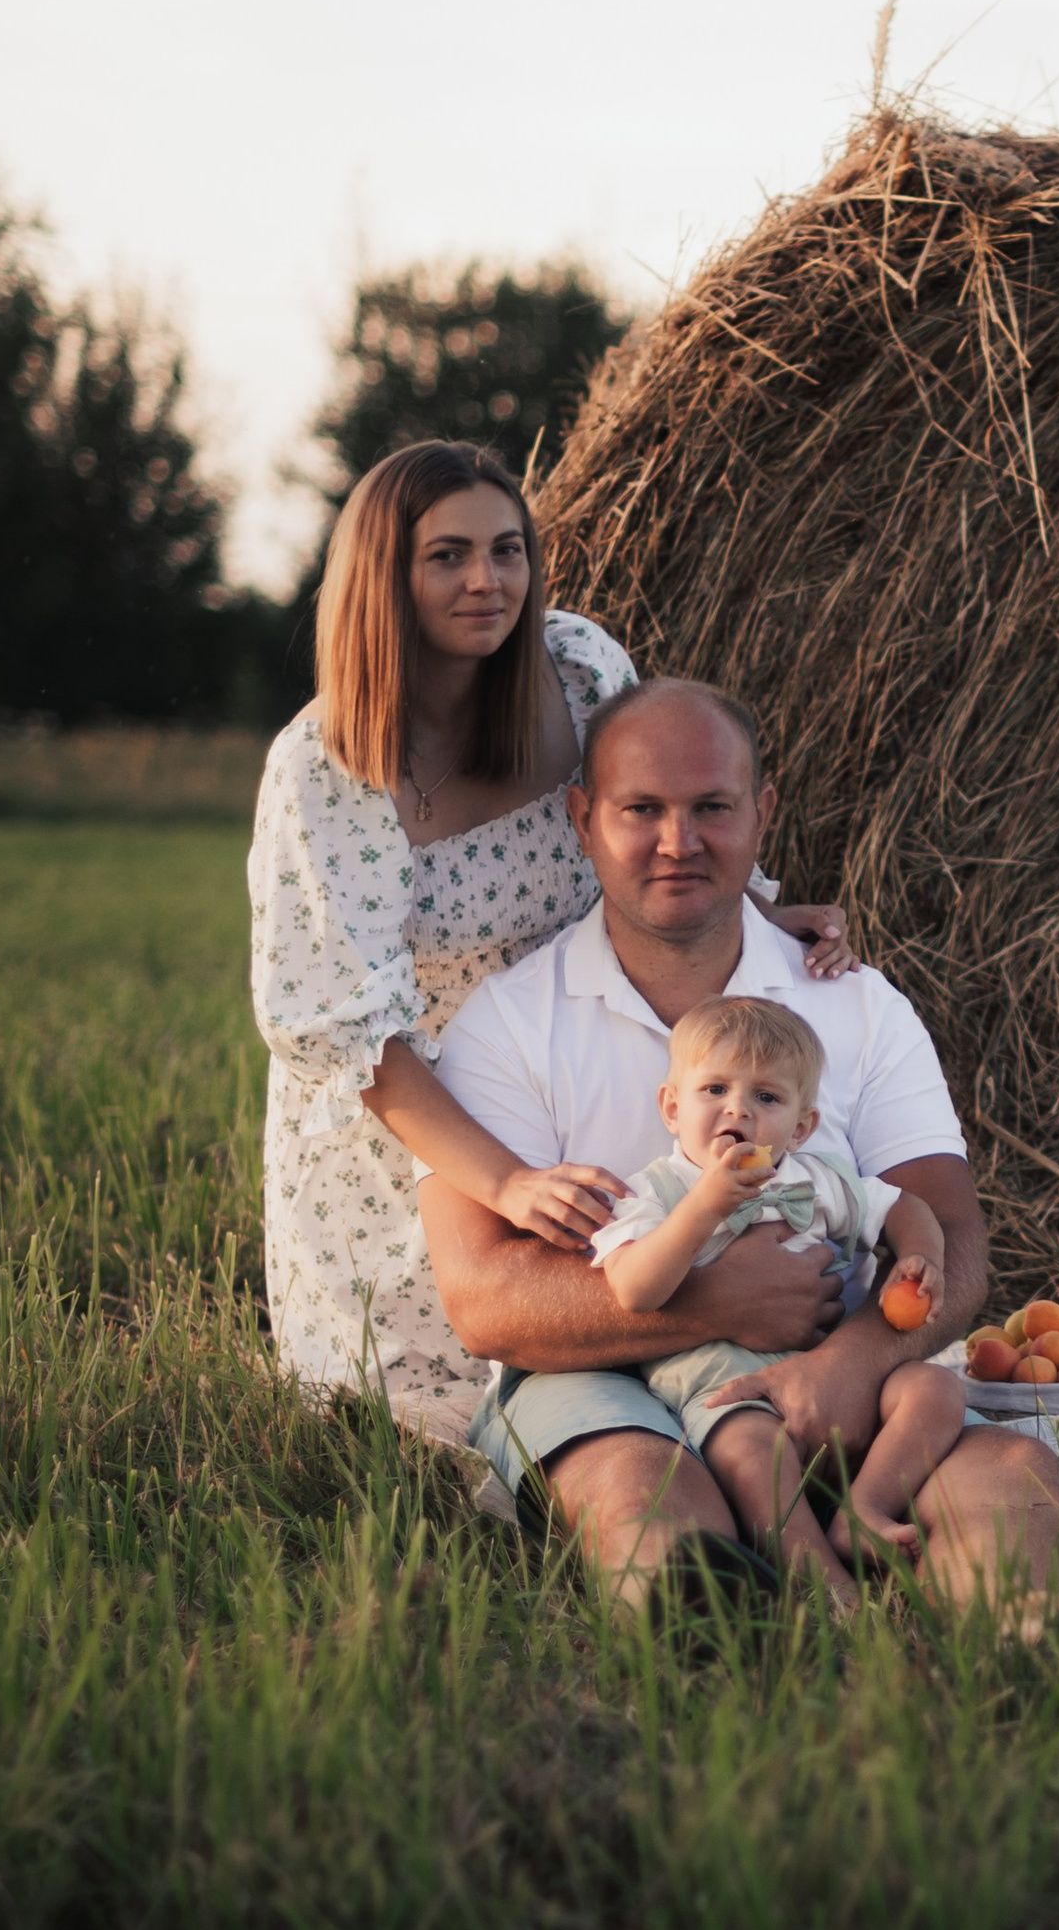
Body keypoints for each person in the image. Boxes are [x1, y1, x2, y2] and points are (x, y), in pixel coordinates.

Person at [420, 674, 1059, 1615]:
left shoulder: (859, 1006)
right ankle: (745, 1660)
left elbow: (954, 1239)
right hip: (596, 1385)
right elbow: (485, 1300)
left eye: (712, 808)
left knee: (1009, 1472)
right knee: (639, 1492)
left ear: (762, 813)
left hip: (837, 1366)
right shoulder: (506, 1024)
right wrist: (718, 1301)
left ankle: (1029, 1634)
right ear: (583, 818)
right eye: (641, 809)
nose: (678, 841)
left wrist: (850, 1364)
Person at [249, 439, 853, 1448]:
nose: (487, 580)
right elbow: (355, 1038)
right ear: (382, 578)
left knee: (629, 1303)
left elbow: (648, 802)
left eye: (507, 549)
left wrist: (741, 908)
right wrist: (504, 1181)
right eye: (447, 555)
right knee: (424, 1411)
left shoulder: (575, 667)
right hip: (411, 1102)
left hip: (570, 1035)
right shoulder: (327, 765)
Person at [590, 992, 968, 1596]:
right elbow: (635, 1290)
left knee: (936, 1390)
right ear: (672, 1107)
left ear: (801, 1126)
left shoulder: (816, 1181)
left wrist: (920, 1257)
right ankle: (816, 1576)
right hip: (723, 1385)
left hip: (831, 1373)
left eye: (765, 1097)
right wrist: (702, 1207)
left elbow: (905, 1206)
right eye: (715, 1089)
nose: (737, 1108)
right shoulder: (651, 1193)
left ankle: (864, 1509)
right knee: (750, 1452)